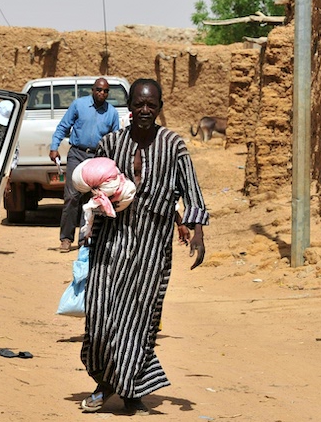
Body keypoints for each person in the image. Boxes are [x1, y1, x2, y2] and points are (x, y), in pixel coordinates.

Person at [78, 78, 208, 416]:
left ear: (160, 107)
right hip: (110, 241)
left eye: (151, 104)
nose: (145, 110)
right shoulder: (110, 143)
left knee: (138, 318)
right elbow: (89, 185)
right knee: (100, 315)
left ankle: (127, 389)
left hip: (152, 246)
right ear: (130, 107)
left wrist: (197, 231)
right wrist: (91, 213)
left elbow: (190, 189)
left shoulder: (173, 145)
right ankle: (109, 381)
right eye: (139, 104)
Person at [49, 77, 120, 252]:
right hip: (77, 154)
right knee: (72, 196)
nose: (102, 93)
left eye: (105, 91)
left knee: (91, 199)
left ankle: (84, 239)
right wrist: (54, 147)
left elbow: (115, 139)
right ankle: (66, 238)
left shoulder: (112, 113)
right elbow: (63, 126)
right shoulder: (78, 105)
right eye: (99, 89)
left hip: (97, 157)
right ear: (93, 90)